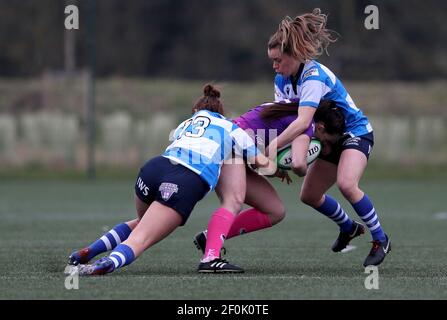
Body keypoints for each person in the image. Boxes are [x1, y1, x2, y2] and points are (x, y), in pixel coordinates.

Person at [67, 84, 278, 275]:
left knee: (144, 223)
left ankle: (88, 251)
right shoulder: (231, 128)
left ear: (196, 112)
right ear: (221, 113)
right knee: (142, 238)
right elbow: (263, 164)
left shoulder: (185, 124)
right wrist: (279, 162)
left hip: (153, 169)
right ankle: (109, 263)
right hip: (185, 179)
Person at [264, 8, 390, 266]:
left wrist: (272, 147)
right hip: (324, 137)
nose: (275, 66)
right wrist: (281, 158)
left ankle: (381, 239)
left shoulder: (313, 76)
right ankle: (348, 227)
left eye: (278, 60)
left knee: (347, 184)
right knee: (309, 195)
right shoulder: (282, 80)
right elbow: (290, 122)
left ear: (295, 55)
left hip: (353, 133)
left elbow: (302, 121)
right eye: (272, 61)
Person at [194, 100, 346, 270]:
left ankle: (211, 238)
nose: (324, 149)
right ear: (321, 127)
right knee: (233, 201)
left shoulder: (294, 109)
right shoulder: (307, 126)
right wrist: (302, 169)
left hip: (236, 150)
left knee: (275, 210)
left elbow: (258, 157)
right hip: (229, 147)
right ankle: (210, 257)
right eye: (326, 142)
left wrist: (277, 169)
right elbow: (298, 165)